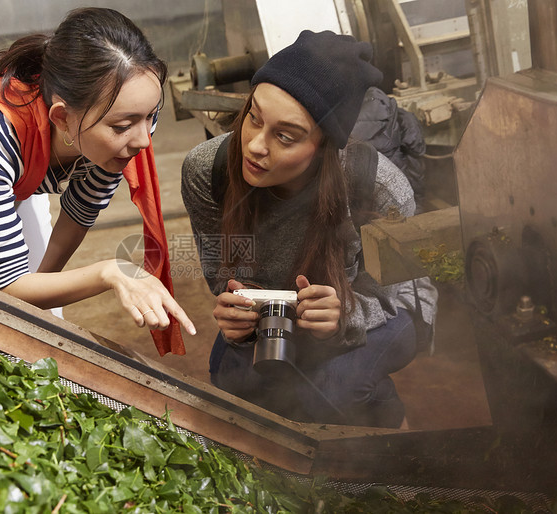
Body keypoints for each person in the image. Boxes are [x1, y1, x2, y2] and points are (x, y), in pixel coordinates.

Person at [0, 7, 193, 356]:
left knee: (43, 319)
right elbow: (8, 287)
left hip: (14, 181)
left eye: (150, 116)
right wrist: (110, 271)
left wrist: (38, 302)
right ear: (61, 116)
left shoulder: (125, 121)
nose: (143, 140)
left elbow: (80, 212)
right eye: (123, 126)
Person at [181, 30, 437, 427]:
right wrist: (237, 314)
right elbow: (224, 275)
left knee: (331, 393)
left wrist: (345, 315)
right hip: (282, 309)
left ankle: (388, 425)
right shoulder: (208, 171)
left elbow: (399, 295)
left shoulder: (377, 187)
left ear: (325, 147)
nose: (254, 146)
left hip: (376, 304)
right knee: (236, 386)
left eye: (285, 136)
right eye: (254, 117)